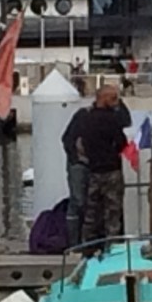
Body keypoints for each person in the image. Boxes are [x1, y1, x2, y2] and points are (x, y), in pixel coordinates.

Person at [80, 84, 131, 246]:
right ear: (104, 98)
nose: (116, 102)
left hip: (93, 170)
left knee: (91, 212)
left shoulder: (86, 118)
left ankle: (88, 245)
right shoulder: (112, 119)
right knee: (113, 212)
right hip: (111, 170)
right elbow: (122, 142)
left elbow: (80, 143)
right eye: (114, 98)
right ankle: (112, 246)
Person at [61, 103, 91, 246]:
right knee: (78, 201)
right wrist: (75, 159)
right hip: (78, 164)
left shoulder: (109, 116)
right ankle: (74, 242)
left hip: (95, 164)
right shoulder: (83, 116)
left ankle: (88, 241)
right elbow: (67, 139)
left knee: (91, 203)